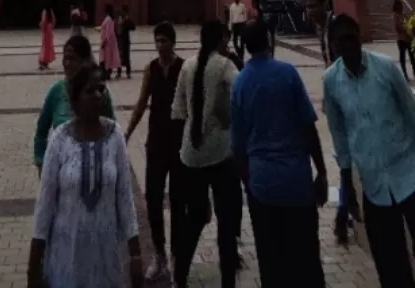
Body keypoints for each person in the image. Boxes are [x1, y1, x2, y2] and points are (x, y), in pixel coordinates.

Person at [323, 14, 415, 288]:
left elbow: (414, 115)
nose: (349, 46)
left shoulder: (385, 69)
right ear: (334, 46)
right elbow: (339, 136)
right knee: (390, 263)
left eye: (353, 38)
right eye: (342, 41)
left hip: (411, 176)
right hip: (375, 188)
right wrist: (347, 192)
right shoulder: (331, 81)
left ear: (360, 37)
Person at [231, 18, 327, 288]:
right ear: (269, 40)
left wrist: (249, 185)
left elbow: (238, 148)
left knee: (271, 265)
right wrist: (321, 170)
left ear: (245, 46)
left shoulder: (239, 84)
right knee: (308, 262)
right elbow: (308, 128)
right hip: (297, 184)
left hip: (263, 186)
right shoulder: (288, 73)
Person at [28, 64, 143, 288]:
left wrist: (136, 256)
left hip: (106, 257)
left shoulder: (115, 136)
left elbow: (125, 198)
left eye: (102, 89)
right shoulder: (60, 140)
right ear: (74, 99)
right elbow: (45, 206)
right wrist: (34, 267)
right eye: (90, 91)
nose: (98, 95)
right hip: (66, 258)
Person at [171, 19, 239, 288]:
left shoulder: (187, 65)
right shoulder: (224, 65)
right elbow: (242, 92)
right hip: (222, 153)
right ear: (220, 39)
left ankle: (180, 272)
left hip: (191, 154)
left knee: (195, 216)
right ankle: (228, 281)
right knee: (227, 220)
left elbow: (178, 110)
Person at [125, 20, 185, 283]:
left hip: (180, 145)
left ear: (173, 42)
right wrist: (126, 133)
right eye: (157, 41)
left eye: (164, 40)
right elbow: (141, 103)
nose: (160, 45)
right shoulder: (150, 69)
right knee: (152, 199)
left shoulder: (184, 68)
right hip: (156, 143)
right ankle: (159, 254)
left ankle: (176, 254)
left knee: (179, 201)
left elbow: (193, 105)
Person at [34, 35, 116, 174]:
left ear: (85, 61)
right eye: (65, 58)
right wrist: (41, 164)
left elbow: (112, 132)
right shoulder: (56, 92)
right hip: (61, 173)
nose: (67, 63)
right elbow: (41, 133)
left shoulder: (99, 93)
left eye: (72, 59)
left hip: (95, 171)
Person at [306, 0, 335, 65]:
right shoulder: (319, 26)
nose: (310, 11)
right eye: (308, 7)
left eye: (314, 6)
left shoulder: (335, 24)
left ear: (323, 6)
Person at [392, 0, 415, 84]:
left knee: (412, 57)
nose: (401, 7)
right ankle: (405, 75)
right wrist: (406, 29)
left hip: (408, 39)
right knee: (402, 58)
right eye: (400, 5)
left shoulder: (404, 15)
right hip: (401, 39)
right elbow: (397, 27)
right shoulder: (395, 16)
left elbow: (409, 23)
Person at [99, 3, 122, 79]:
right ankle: (106, 73)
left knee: (106, 58)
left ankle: (106, 74)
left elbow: (109, 33)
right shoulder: (109, 19)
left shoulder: (108, 19)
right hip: (108, 41)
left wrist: (104, 42)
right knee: (106, 58)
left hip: (107, 42)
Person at [116, 5, 135, 78]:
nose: (122, 12)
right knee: (119, 56)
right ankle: (119, 72)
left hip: (125, 41)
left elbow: (133, 27)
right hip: (119, 40)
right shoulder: (119, 19)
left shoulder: (127, 19)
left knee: (126, 57)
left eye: (123, 11)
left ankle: (128, 72)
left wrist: (128, 20)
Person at [228, 0, 246, 64]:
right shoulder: (232, 6)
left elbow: (245, 15)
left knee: (242, 41)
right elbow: (231, 17)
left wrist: (245, 23)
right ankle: (239, 51)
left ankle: (241, 55)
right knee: (235, 41)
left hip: (241, 24)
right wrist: (230, 26)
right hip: (235, 24)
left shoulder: (242, 6)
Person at [39, 6, 56, 71]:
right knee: (49, 47)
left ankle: (43, 61)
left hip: (46, 30)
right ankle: (46, 62)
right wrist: (51, 26)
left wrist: (42, 27)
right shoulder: (50, 11)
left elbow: (43, 21)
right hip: (50, 29)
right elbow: (54, 20)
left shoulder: (44, 11)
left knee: (45, 47)